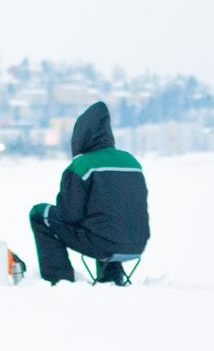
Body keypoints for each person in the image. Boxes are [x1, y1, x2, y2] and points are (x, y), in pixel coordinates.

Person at [29, 101, 150, 285]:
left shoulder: (82, 165)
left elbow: (68, 214)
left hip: (102, 244)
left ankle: (59, 279)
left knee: (39, 213)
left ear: (80, 137)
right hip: (137, 244)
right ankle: (112, 276)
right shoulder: (131, 161)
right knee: (105, 220)